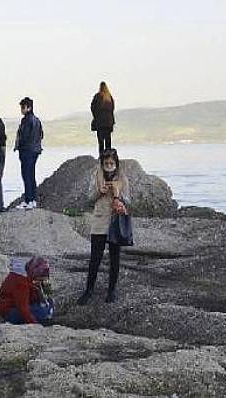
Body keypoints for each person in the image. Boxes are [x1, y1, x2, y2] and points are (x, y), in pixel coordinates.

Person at [77, 148, 131, 305]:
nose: (109, 165)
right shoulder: (96, 176)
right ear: (102, 163)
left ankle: (111, 291)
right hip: (100, 221)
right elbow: (88, 199)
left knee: (115, 257)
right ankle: (88, 291)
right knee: (95, 257)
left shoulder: (122, 178)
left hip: (115, 221)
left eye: (111, 163)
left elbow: (129, 200)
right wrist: (99, 192)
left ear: (116, 163)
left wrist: (117, 194)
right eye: (106, 163)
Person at [0, 256, 54, 325]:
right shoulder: (21, 283)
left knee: (49, 303)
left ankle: (45, 315)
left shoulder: (25, 275)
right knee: (44, 311)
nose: (39, 281)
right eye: (39, 279)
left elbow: (32, 298)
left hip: (13, 308)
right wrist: (34, 324)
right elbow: (23, 308)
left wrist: (39, 289)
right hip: (10, 313)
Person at [14, 97, 44, 209]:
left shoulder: (26, 120)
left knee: (26, 175)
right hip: (35, 150)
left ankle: (28, 200)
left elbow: (24, 136)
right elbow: (41, 135)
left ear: (28, 107)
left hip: (27, 151)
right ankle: (33, 200)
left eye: (23, 107)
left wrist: (19, 146)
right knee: (31, 175)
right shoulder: (37, 120)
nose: (21, 110)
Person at [90, 81, 115, 156]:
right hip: (109, 122)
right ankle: (108, 157)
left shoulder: (97, 96)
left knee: (101, 142)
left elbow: (93, 107)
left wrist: (96, 116)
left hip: (100, 122)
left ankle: (101, 156)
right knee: (108, 140)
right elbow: (112, 109)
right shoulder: (109, 97)